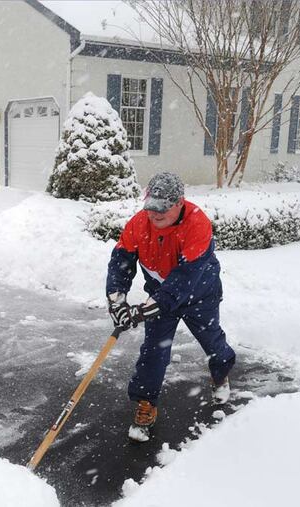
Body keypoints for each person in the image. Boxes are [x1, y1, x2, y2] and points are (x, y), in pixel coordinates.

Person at [105, 171, 235, 441]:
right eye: (151, 207)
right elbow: (121, 262)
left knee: (213, 343)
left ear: (180, 203)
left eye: (163, 208)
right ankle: (146, 403)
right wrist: (117, 300)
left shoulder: (197, 224)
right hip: (160, 294)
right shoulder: (138, 225)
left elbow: (185, 278)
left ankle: (221, 375)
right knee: (154, 351)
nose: (155, 214)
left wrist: (147, 308)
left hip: (200, 293)